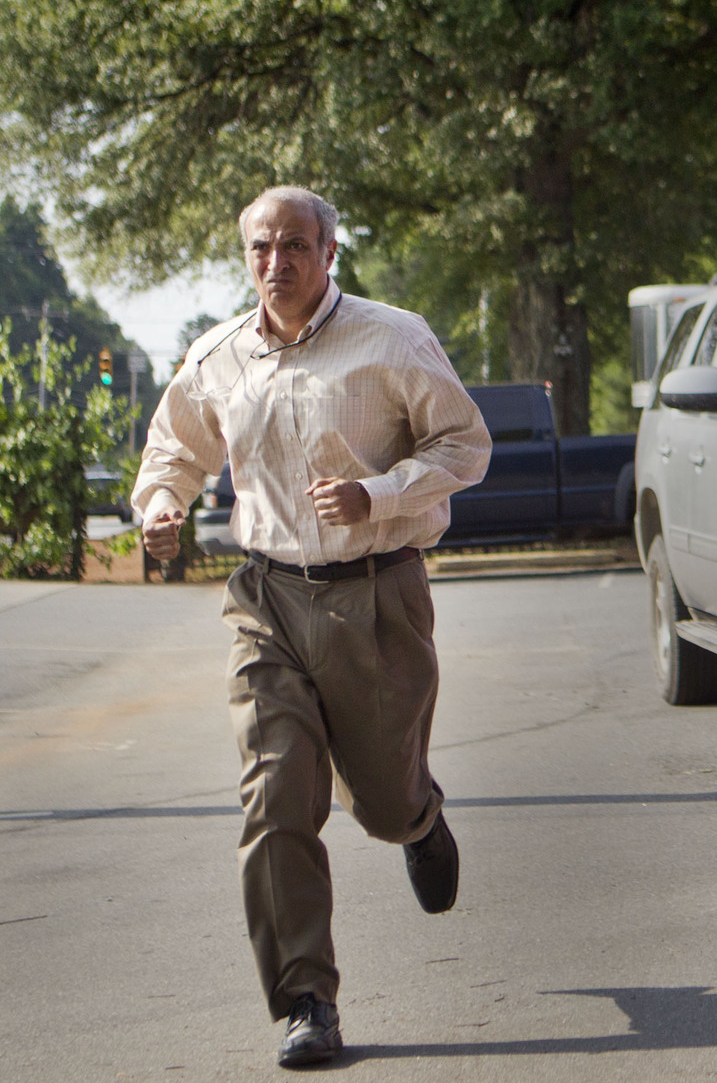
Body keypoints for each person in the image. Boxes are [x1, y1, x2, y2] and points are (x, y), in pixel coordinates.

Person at [132, 186, 491, 1068]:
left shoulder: (393, 337)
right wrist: (161, 505)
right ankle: (306, 1003)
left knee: (376, 795)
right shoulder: (220, 355)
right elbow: (173, 447)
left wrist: (380, 494)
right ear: (245, 255)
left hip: (377, 594)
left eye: (295, 245)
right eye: (261, 247)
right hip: (268, 600)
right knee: (276, 792)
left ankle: (415, 819)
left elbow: (464, 445)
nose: (276, 263)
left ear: (331, 252)